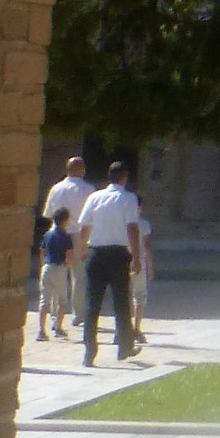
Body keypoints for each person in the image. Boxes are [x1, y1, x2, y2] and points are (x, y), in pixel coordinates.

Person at [75, 161, 144, 364]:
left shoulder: (95, 197)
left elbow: (84, 226)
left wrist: (83, 249)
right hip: (118, 253)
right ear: (124, 177)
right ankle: (124, 346)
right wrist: (137, 256)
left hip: (96, 253)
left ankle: (89, 350)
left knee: (92, 302)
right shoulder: (128, 198)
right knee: (121, 302)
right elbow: (132, 227)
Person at [41, 155, 92, 328]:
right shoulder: (88, 189)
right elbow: (91, 217)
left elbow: (48, 214)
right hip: (78, 234)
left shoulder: (56, 188)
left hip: (58, 233)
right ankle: (78, 314)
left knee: (58, 273)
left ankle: (57, 315)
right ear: (80, 169)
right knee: (79, 275)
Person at [34, 211, 73, 342]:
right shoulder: (66, 236)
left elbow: (42, 251)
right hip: (59, 267)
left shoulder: (47, 234)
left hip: (47, 266)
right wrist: (67, 266)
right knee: (62, 299)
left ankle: (41, 330)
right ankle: (58, 327)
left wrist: (42, 264)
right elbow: (69, 255)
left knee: (44, 300)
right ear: (65, 220)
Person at [131, 207, 153, 333]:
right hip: (138, 261)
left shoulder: (121, 223)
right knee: (139, 296)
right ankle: (136, 328)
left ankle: (122, 328)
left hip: (122, 261)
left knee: (124, 295)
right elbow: (147, 246)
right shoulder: (143, 224)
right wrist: (149, 267)